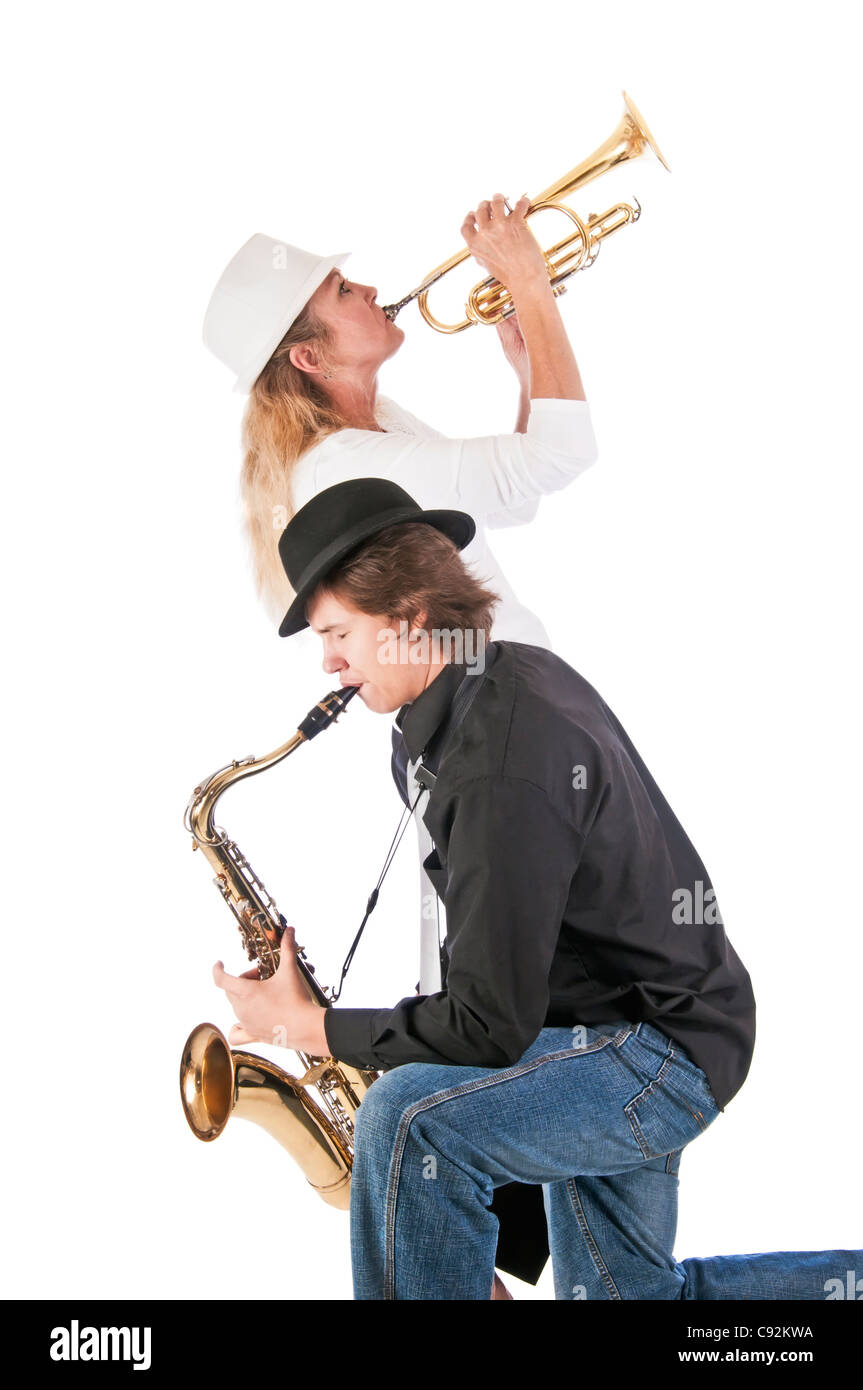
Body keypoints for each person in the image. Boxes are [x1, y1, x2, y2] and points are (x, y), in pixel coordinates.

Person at [212, 478, 862, 1301]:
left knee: (407, 1121)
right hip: (619, 1021)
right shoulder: (480, 690)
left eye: (340, 632)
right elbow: (497, 948)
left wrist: (320, 1028)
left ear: (411, 615)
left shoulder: (500, 759)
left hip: (653, 1052)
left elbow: (487, 1023)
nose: (328, 661)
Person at [202, 197, 598, 1291]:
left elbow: (519, 480)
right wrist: (523, 280)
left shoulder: (368, 443)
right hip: (498, 741)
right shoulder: (344, 470)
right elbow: (564, 456)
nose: (368, 288)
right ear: (307, 351)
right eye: (340, 292)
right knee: (524, 1034)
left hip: (509, 738)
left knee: (550, 1030)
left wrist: (529, 348)